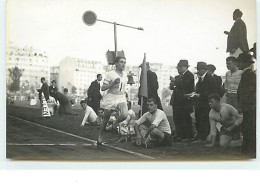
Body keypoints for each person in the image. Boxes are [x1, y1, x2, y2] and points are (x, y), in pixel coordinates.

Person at [98, 56, 128, 144]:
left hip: (121, 97)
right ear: (116, 63)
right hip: (111, 97)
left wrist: (130, 77)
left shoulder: (125, 74)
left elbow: (125, 83)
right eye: (121, 62)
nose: (123, 64)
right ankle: (100, 136)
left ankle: (114, 123)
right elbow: (103, 88)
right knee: (106, 119)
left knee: (125, 115)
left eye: (124, 62)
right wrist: (113, 83)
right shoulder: (110, 74)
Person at [169, 60, 194, 141]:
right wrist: (173, 83)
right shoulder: (178, 77)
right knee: (177, 118)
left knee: (185, 118)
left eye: (180, 67)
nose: (178, 69)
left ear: (185, 67)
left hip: (185, 101)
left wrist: (175, 82)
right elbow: (172, 87)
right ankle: (179, 134)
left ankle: (188, 136)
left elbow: (185, 85)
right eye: (178, 68)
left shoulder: (189, 75)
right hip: (177, 101)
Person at [237, 53, 256, 158]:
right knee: (247, 127)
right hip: (248, 106)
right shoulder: (247, 74)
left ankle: (249, 148)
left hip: (249, 107)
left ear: (245, 63)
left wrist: (242, 105)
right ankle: (248, 148)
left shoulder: (248, 74)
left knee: (249, 127)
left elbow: (248, 93)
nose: (238, 64)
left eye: (239, 61)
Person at [193, 62, 216, 141]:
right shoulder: (200, 79)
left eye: (199, 69)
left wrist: (200, 95)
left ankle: (203, 136)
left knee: (204, 120)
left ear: (203, 69)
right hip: (199, 104)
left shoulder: (209, 78)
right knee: (198, 119)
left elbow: (212, 91)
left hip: (206, 104)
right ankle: (200, 135)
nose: (198, 71)